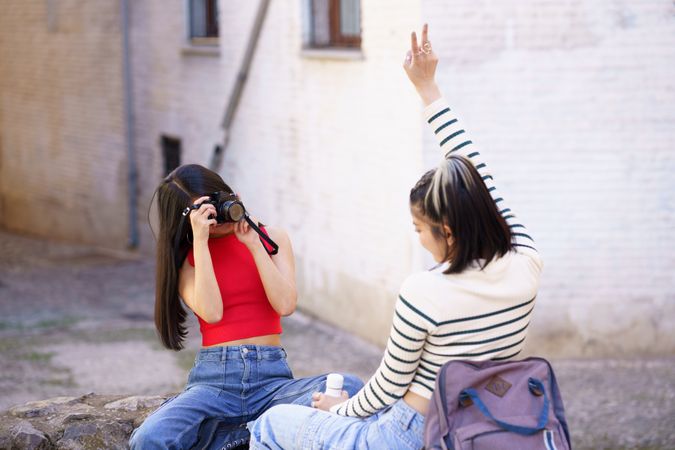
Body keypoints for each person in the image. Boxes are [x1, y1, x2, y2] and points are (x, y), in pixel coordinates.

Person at [247, 24, 544, 449]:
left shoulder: (424, 292)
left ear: (446, 231)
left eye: (420, 230)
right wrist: (428, 88)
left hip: (410, 433)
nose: (420, 239)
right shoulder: (527, 261)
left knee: (271, 424)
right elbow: (481, 177)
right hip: (478, 426)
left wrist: (337, 411)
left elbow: (387, 386)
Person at [129, 164, 363, 449]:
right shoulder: (188, 261)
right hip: (214, 386)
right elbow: (212, 312)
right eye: (205, 211)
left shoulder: (272, 238)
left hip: (273, 384)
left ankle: (231, 435)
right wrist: (201, 241)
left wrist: (254, 244)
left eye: (217, 200)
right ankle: (257, 431)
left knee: (350, 388)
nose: (216, 214)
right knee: (149, 438)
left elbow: (286, 304)